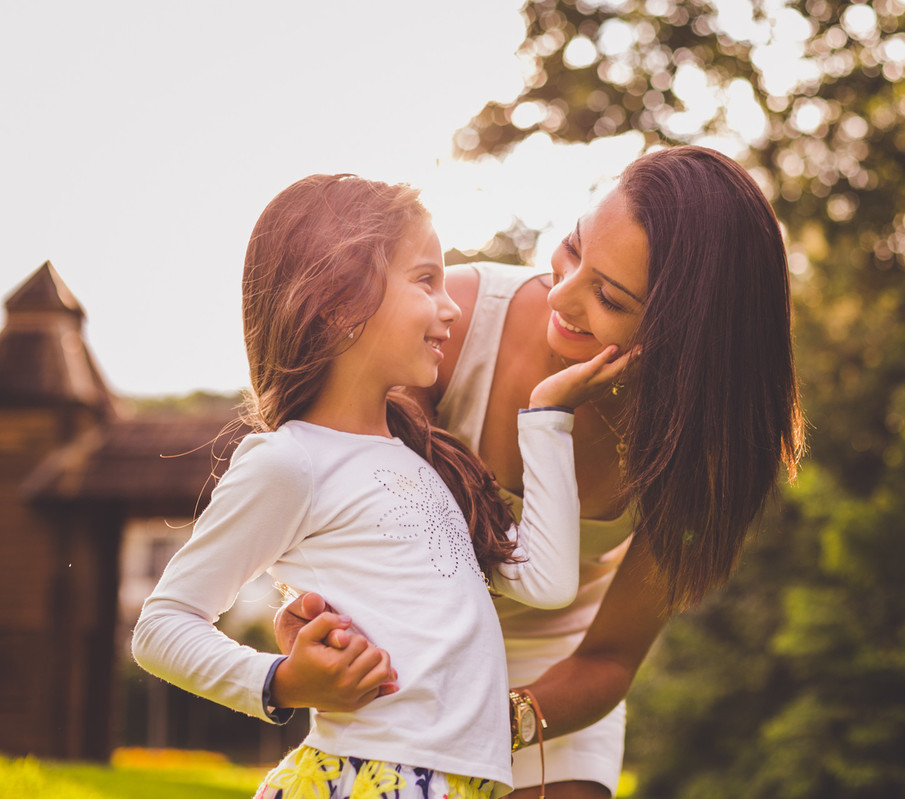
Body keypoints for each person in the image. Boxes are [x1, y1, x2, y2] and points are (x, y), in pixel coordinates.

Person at [278, 146, 806, 798]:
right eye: (572, 248)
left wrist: (502, 718)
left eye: (607, 295)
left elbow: (609, 658)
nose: (561, 292)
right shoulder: (451, 323)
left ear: (683, 339)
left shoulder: (702, 452)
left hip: (557, 669)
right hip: (408, 647)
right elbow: (335, 502)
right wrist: (312, 622)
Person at [132, 173, 633, 799]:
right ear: (340, 302)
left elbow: (548, 581)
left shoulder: (435, 464)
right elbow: (162, 626)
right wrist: (280, 681)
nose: (450, 304)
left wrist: (547, 416)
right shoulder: (289, 463)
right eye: (426, 279)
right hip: (374, 778)